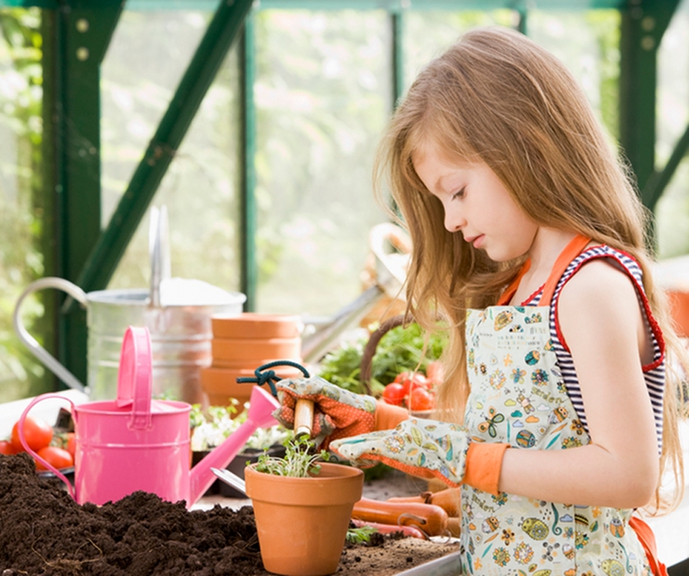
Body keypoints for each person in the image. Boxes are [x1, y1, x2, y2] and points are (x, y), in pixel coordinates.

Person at [273, 26, 688, 575]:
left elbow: (626, 473)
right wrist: (378, 424)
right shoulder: (522, 285)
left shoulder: (589, 286)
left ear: (526, 146)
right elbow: (511, 446)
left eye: (458, 190)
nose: (449, 220)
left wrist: (465, 458)